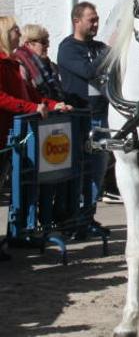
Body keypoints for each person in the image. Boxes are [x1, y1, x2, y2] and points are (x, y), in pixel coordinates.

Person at [0, 17, 71, 260]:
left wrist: (53, 104)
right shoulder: (3, 63)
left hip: (11, 134)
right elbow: (2, 98)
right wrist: (28, 107)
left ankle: (16, 234)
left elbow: (31, 93)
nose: (18, 34)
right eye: (14, 30)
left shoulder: (11, 64)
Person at [57, 2, 111, 229]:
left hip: (101, 117)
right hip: (80, 119)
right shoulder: (68, 48)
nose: (96, 24)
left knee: (97, 171)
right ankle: (72, 219)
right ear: (76, 21)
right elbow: (89, 72)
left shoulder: (99, 47)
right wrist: (112, 51)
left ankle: (87, 216)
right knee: (80, 171)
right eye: (92, 20)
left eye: (97, 19)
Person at [14, 24, 65, 101]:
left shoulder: (49, 65)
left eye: (47, 41)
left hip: (55, 108)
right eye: (43, 42)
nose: (48, 45)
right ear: (28, 44)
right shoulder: (19, 64)